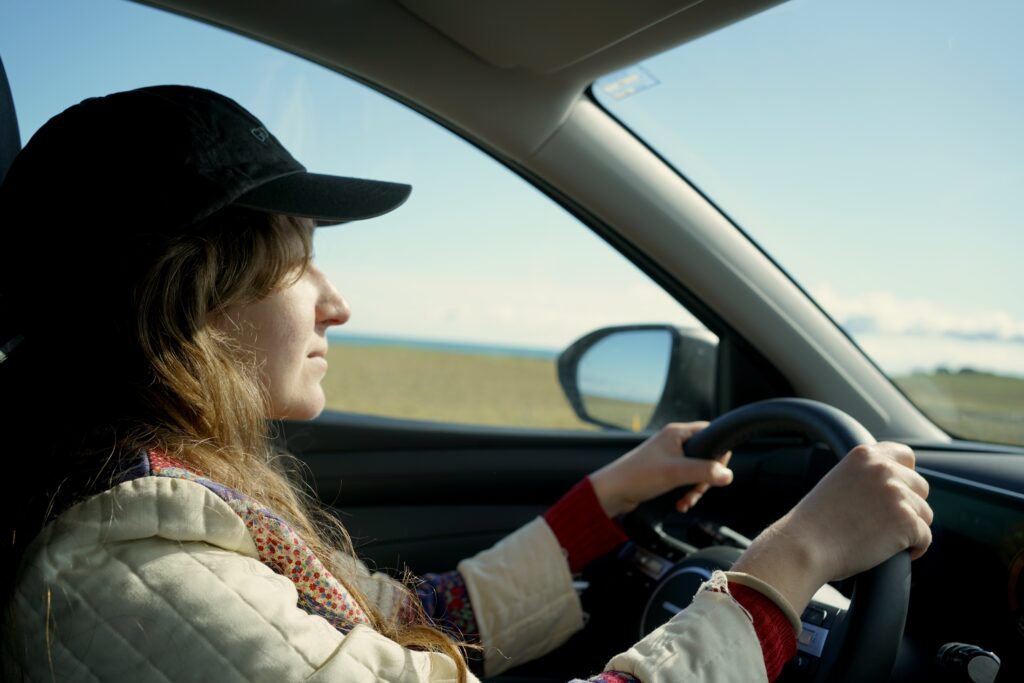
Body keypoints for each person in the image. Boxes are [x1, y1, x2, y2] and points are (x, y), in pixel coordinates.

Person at [0, 86, 933, 683]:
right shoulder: (134, 574)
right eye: (298, 263)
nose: (339, 303)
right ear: (186, 295)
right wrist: (786, 568)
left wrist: (606, 498)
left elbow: (413, 623)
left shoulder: (162, 505)